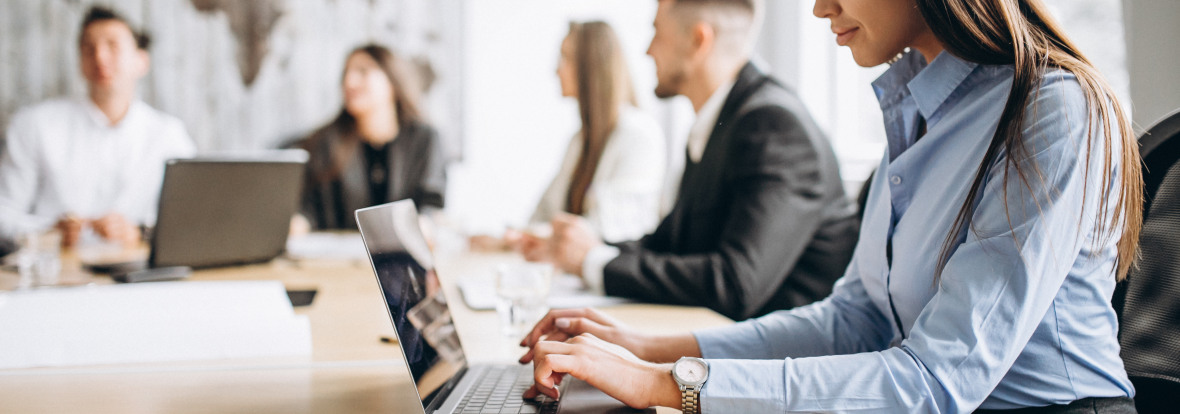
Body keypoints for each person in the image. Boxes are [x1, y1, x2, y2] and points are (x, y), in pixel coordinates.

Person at [516, 0, 1144, 412]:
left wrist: (667, 385)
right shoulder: (917, 111)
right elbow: (854, 321)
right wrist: (648, 348)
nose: (820, 7)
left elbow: (934, 381)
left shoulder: (1052, 110)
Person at [522, 0, 858, 321]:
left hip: (784, 361)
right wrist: (588, 248)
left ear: (698, 40)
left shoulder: (774, 127)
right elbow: (669, 244)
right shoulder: (721, 122)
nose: (647, 50)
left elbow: (736, 284)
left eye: (657, 32)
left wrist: (593, 261)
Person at [0, 6, 196, 248]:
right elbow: (4, 213)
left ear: (141, 61)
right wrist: (48, 232)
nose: (100, 57)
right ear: (81, 62)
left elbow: (191, 220)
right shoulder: (34, 125)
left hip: (140, 278)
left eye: (112, 46)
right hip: (54, 275)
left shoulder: (169, 136)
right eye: (88, 48)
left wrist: (139, 232)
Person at [523, 21, 667, 244]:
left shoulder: (639, 134)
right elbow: (543, 214)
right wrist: (510, 238)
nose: (556, 69)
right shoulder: (579, 141)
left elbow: (609, 229)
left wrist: (534, 236)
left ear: (590, 66)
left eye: (566, 57)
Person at [296, 44, 446, 231]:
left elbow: (432, 203)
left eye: (363, 71)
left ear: (392, 80)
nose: (349, 82)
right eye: (346, 74)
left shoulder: (425, 139)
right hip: (335, 256)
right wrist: (299, 222)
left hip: (400, 253)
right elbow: (310, 207)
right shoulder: (325, 141)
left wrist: (425, 223)